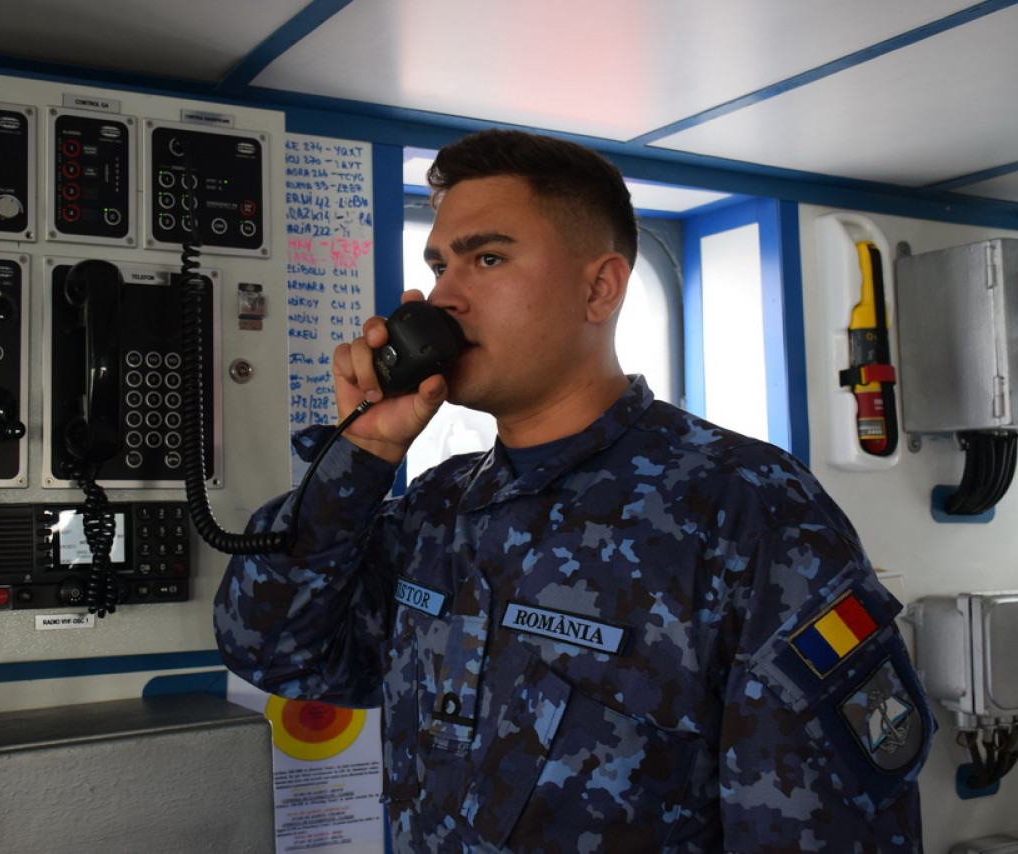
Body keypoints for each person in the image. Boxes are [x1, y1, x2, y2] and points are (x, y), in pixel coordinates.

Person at [214, 128, 934, 852]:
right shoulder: (439, 505)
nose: (443, 297)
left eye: (487, 259)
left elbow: (822, 828)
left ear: (600, 288)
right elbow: (276, 651)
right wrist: (361, 456)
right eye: (438, 265)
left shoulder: (748, 508)